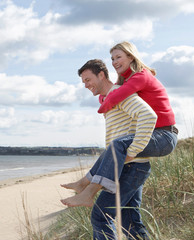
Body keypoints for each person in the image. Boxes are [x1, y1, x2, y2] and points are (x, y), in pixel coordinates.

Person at [61, 59, 157, 239]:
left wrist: (132, 151)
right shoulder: (109, 99)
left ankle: (85, 186)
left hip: (131, 167)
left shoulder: (120, 93)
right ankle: (84, 183)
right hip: (131, 167)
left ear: (102, 75)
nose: (86, 85)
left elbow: (148, 115)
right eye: (83, 82)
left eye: (88, 80)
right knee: (131, 222)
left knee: (100, 216)